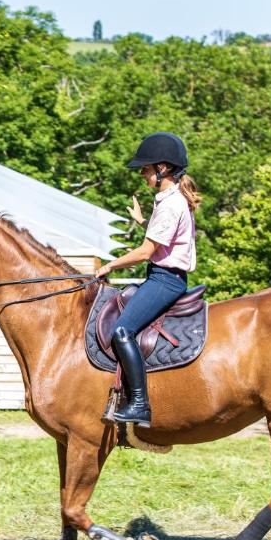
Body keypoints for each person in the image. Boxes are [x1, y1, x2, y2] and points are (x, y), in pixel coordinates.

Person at [94, 132, 201, 427]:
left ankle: (140, 404)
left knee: (122, 331)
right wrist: (142, 221)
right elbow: (164, 239)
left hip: (165, 280)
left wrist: (110, 266)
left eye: (145, 168)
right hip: (163, 276)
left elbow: (146, 252)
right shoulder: (168, 199)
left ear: (162, 168)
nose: (142, 173)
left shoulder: (171, 204)